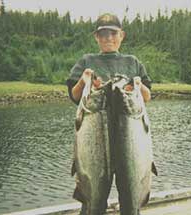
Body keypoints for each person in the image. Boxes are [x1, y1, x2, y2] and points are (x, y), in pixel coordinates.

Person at [66, 13, 152, 215]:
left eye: (112, 33)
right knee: (92, 202)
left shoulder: (133, 62)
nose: (108, 38)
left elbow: (147, 96)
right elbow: (74, 95)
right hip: (95, 142)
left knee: (131, 199)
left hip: (129, 143)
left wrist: (138, 86)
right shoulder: (86, 60)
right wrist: (84, 80)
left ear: (122, 35)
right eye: (103, 34)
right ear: (96, 37)